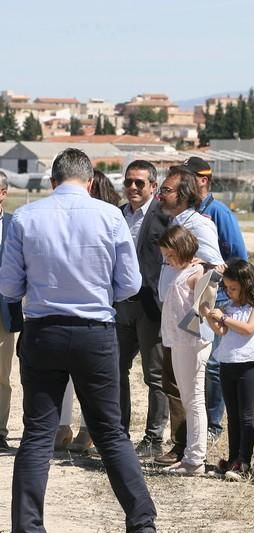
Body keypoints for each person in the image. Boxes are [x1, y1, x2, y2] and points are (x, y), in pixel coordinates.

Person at [0, 148, 156, 532]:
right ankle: (141, 520)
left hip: (43, 330)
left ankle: (28, 526)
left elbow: (7, 286)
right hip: (95, 332)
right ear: (89, 182)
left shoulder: (24, 217)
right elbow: (130, 284)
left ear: (53, 182)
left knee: (37, 434)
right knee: (110, 432)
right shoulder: (110, 217)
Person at [155, 165, 223, 467]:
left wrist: (200, 270)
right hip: (174, 329)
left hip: (191, 331)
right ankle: (186, 451)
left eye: (166, 190)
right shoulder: (172, 224)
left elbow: (216, 269)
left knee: (193, 394)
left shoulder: (199, 226)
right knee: (181, 391)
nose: (160, 195)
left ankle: (194, 454)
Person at [57, 169, 127, 452]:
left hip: (100, 306)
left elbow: (125, 274)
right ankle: (62, 426)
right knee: (66, 373)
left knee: (90, 376)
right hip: (71, 303)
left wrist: (109, 297)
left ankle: (88, 429)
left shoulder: (109, 218)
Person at [182, 156, 248, 443]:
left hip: (216, 298)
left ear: (203, 180)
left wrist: (228, 291)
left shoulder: (218, 212)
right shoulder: (186, 213)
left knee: (213, 364)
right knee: (193, 361)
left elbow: (238, 255)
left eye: (188, 178)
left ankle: (214, 424)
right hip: (191, 298)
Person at [115, 160, 171, 459]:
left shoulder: (164, 217)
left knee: (155, 376)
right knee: (115, 370)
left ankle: (153, 438)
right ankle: (119, 433)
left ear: (153, 185)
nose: (133, 187)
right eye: (129, 182)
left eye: (140, 183)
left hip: (151, 307)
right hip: (120, 306)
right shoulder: (116, 216)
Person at [205, 259, 254, 481]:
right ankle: (233, 457)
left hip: (248, 364)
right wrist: (210, 316)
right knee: (233, 415)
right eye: (227, 288)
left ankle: (244, 461)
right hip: (228, 362)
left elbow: (248, 328)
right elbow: (222, 332)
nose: (230, 291)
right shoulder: (230, 306)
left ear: (246, 284)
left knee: (246, 414)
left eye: (233, 288)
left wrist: (223, 317)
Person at [158, 225, 214, 475]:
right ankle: (191, 454)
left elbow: (206, 301)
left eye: (170, 255)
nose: (167, 261)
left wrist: (210, 271)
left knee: (193, 399)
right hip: (180, 341)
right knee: (188, 398)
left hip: (191, 342)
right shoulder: (185, 271)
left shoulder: (197, 272)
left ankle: (195, 458)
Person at [0, 171, 23, 453]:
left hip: (3, 311)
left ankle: (0, 430)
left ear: (3, 193)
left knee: (2, 376)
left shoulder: (16, 225)